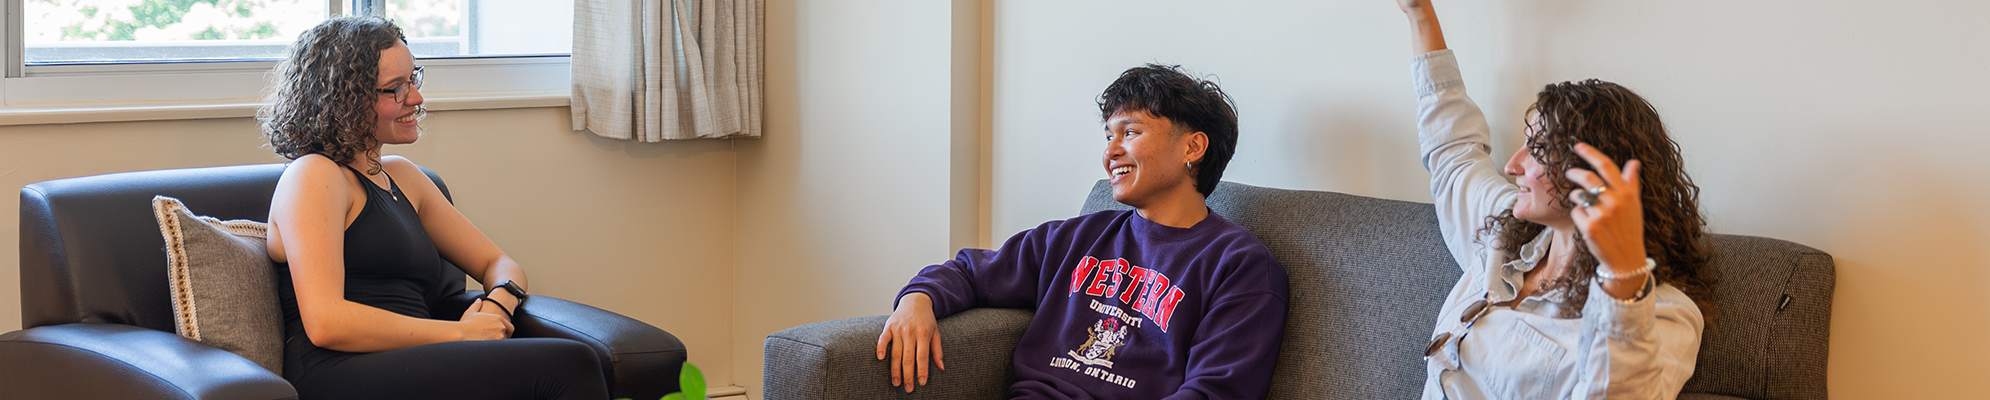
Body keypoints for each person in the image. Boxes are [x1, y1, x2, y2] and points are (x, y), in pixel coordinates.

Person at [877, 64, 1289, 400]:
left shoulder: (1241, 267)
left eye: (1130, 132)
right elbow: (971, 271)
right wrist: (918, 299)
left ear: (1192, 148)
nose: (1110, 152)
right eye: (1108, 135)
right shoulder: (1076, 239)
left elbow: (1215, 391)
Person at [260, 16, 608, 400]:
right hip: (338, 369)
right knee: (569, 364)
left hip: (419, 356)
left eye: (414, 79)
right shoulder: (314, 175)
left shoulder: (403, 177)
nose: (416, 98)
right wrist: (462, 333)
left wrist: (497, 306)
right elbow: (327, 323)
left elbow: (501, 264)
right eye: (395, 88)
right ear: (346, 99)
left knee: (577, 359)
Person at [1392, 1, 1720, 398]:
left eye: (1539, 150)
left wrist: (1621, 276)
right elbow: (1455, 153)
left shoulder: (1664, 314)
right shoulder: (1507, 233)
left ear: (1597, 174)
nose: (1512, 165)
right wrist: (1419, 14)